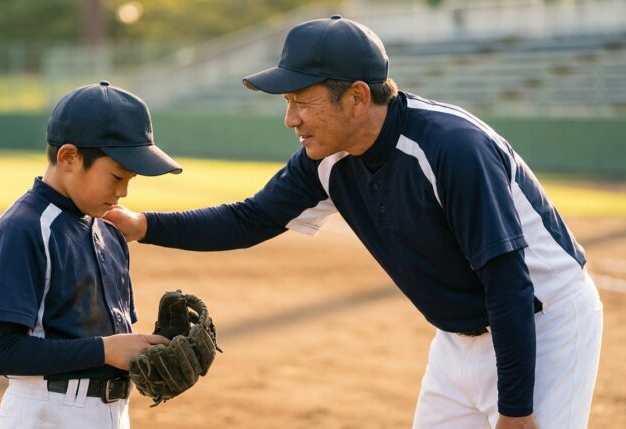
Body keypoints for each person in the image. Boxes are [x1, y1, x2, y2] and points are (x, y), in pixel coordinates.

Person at [105, 16, 603, 429]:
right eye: (287, 103)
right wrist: (144, 225)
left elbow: (509, 283)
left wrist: (517, 410)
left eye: (302, 100)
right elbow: (250, 219)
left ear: (358, 98)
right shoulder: (327, 158)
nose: (291, 119)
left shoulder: (452, 149)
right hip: (459, 336)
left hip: (543, 324)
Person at [0, 81, 182, 428]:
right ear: (69, 157)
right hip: (47, 413)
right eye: (116, 176)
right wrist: (106, 351)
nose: (123, 191)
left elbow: (110, 339)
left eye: (130, 178)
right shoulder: (24, 228)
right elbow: (0, 352)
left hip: (111, 413)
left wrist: (149, 353)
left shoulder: (108, 230)